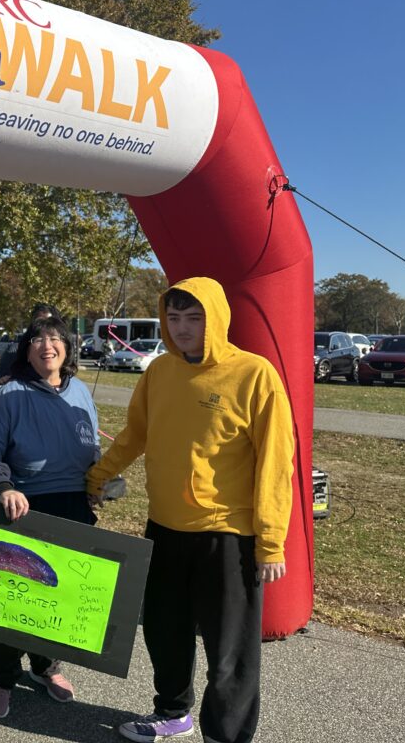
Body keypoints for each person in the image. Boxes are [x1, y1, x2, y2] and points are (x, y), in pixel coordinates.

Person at [87, 278, 294, 743]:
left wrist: (270, 541)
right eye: (174, 317)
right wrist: (99, 476)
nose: (182, 328)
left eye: (194, 318)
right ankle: (172, 712)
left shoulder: (254, 374)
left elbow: (276, 463)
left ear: (215, 319)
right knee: (164, 631)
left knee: (229, 651)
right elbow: (135, 434)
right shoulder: (160, 371)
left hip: (228, 534)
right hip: (165, 527)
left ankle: (226, 735)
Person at [0, 314, 99, 718]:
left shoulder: (80, 391)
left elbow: (91, 447)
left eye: (56, 338)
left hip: (74, 506)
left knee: (58, 596)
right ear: (26, 351)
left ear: (68, 348)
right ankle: (1, 676)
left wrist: (100, 480)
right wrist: (4, 487)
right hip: (25, 505)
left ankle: (46, 666)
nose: (47, 345)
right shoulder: (9, 394)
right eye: (38, 339)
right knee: (15, 598)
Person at [0, 302, 63, 385]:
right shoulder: (13, 352)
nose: (43, 327)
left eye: (49, 323)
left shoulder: (62, 354)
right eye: (39, 322)